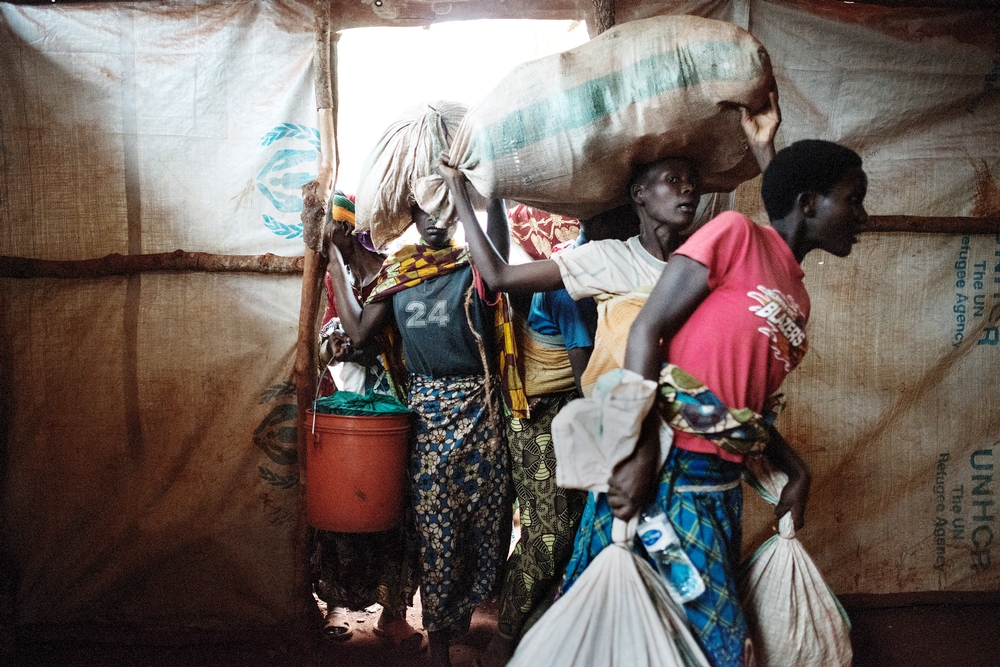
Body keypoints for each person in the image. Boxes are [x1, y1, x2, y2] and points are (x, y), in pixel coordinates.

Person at [571, 139, 869, 667]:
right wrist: (638, 452)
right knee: (709, 647)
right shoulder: (737, 235)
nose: (862, 216)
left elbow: (741, 404)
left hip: (719, 490)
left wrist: (795, 470)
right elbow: (647, 330)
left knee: (667, 641)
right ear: (808, 203)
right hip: (667, 476)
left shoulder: (798, 298)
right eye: (853, 199)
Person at [435, 93, 781, 398]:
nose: (688, 188)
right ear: (639, 194)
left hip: (702, 418)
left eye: (692, 182)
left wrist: (764, 151)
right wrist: (460, 193)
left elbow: (780, 249)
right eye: (673, 180)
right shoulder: (609, 258)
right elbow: (499, 277)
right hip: (631, 423)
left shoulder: (708, 256)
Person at [326, 196, 518, 667]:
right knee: (436, 533)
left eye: (444, 209)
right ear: (410, 216)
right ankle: (439, 647)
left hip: (481, 413)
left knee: (484, 528)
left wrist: (488, 191)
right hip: (427, 417)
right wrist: (332, 255)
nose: (435, 222)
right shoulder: (400, 275)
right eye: (424, 212)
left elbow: (499, 254)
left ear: (456, 211)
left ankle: (458, 626)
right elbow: (357, 327)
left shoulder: (475, 265)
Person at [304, 190, 422, 649]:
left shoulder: (389, 266)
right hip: (343, 401)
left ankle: (393, 613)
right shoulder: (319, 275)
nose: (333, 235)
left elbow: (382, 327)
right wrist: (332, 340)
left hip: (391, 401)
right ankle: (335, 603)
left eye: (339, 229)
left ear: (351, 229)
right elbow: (322, 327)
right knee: (341, 502)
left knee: (397, 503)